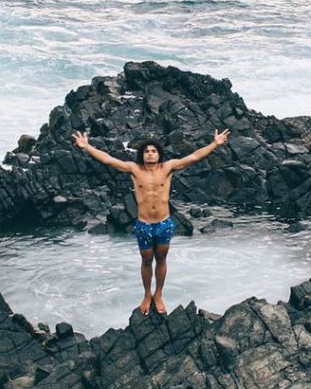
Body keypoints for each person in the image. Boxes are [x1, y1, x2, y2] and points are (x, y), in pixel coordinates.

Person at [72, 129, 231, 316]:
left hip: (164, 223)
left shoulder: (168, 167)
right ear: (142, 154)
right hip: (144, 225)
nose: (150, 153)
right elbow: (108, 160)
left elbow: (194, 156)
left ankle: (158, 294)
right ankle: (147, 294)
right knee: (146, 260)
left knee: (162, 259)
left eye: (153, 151)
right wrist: (87, 147)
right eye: (147, 151)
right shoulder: (134, 169)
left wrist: (215, 144)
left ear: (159, 154)